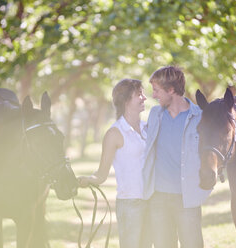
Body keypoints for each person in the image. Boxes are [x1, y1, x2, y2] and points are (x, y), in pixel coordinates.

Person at [143, 66, 211, 248]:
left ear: (171, 90)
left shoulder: (200, 118)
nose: (154, 95)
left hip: (187, 199)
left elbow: (211, 155)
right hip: (158, 199)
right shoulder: (155, 115)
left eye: (157, 90)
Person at [78, 78, 150, 248]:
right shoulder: (114, 133)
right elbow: (101, 173)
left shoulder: (149, 127)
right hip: (131, 204)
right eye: (139, 94)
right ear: (126, 100)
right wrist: (88, 179)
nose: (144, 98)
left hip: (153, 201)